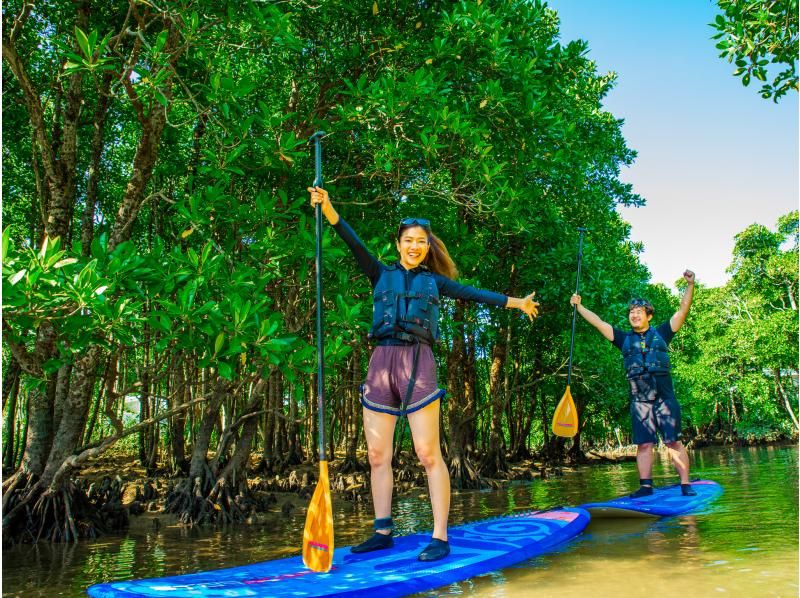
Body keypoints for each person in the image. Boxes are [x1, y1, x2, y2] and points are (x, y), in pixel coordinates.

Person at [308, 186, 539, 562]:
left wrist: (517, 303)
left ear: (428, 247)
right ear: (398, 244)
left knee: (428, 453)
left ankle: (440, 535)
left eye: (421, 242)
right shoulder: (379, 272)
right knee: (378, 455)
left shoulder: (435, 282)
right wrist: (329, 207)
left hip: (419, 363)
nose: (414, 246)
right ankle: (383, 530)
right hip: (381, 363)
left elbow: (474, 293)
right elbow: (349, 238)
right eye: (408, 240)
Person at [570, 270, 697, 498]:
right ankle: (646, 486)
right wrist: (579, 307)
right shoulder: (623, 339)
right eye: (631, 312)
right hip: (640, 402)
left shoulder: (663, 333)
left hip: (665, 399)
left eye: (638, 312)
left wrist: (690, 285)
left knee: (672, 442)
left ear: (648, 315)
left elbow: (683, 310)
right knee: (644, 445)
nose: (634, 315)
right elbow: (598, 323)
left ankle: (686, 485)